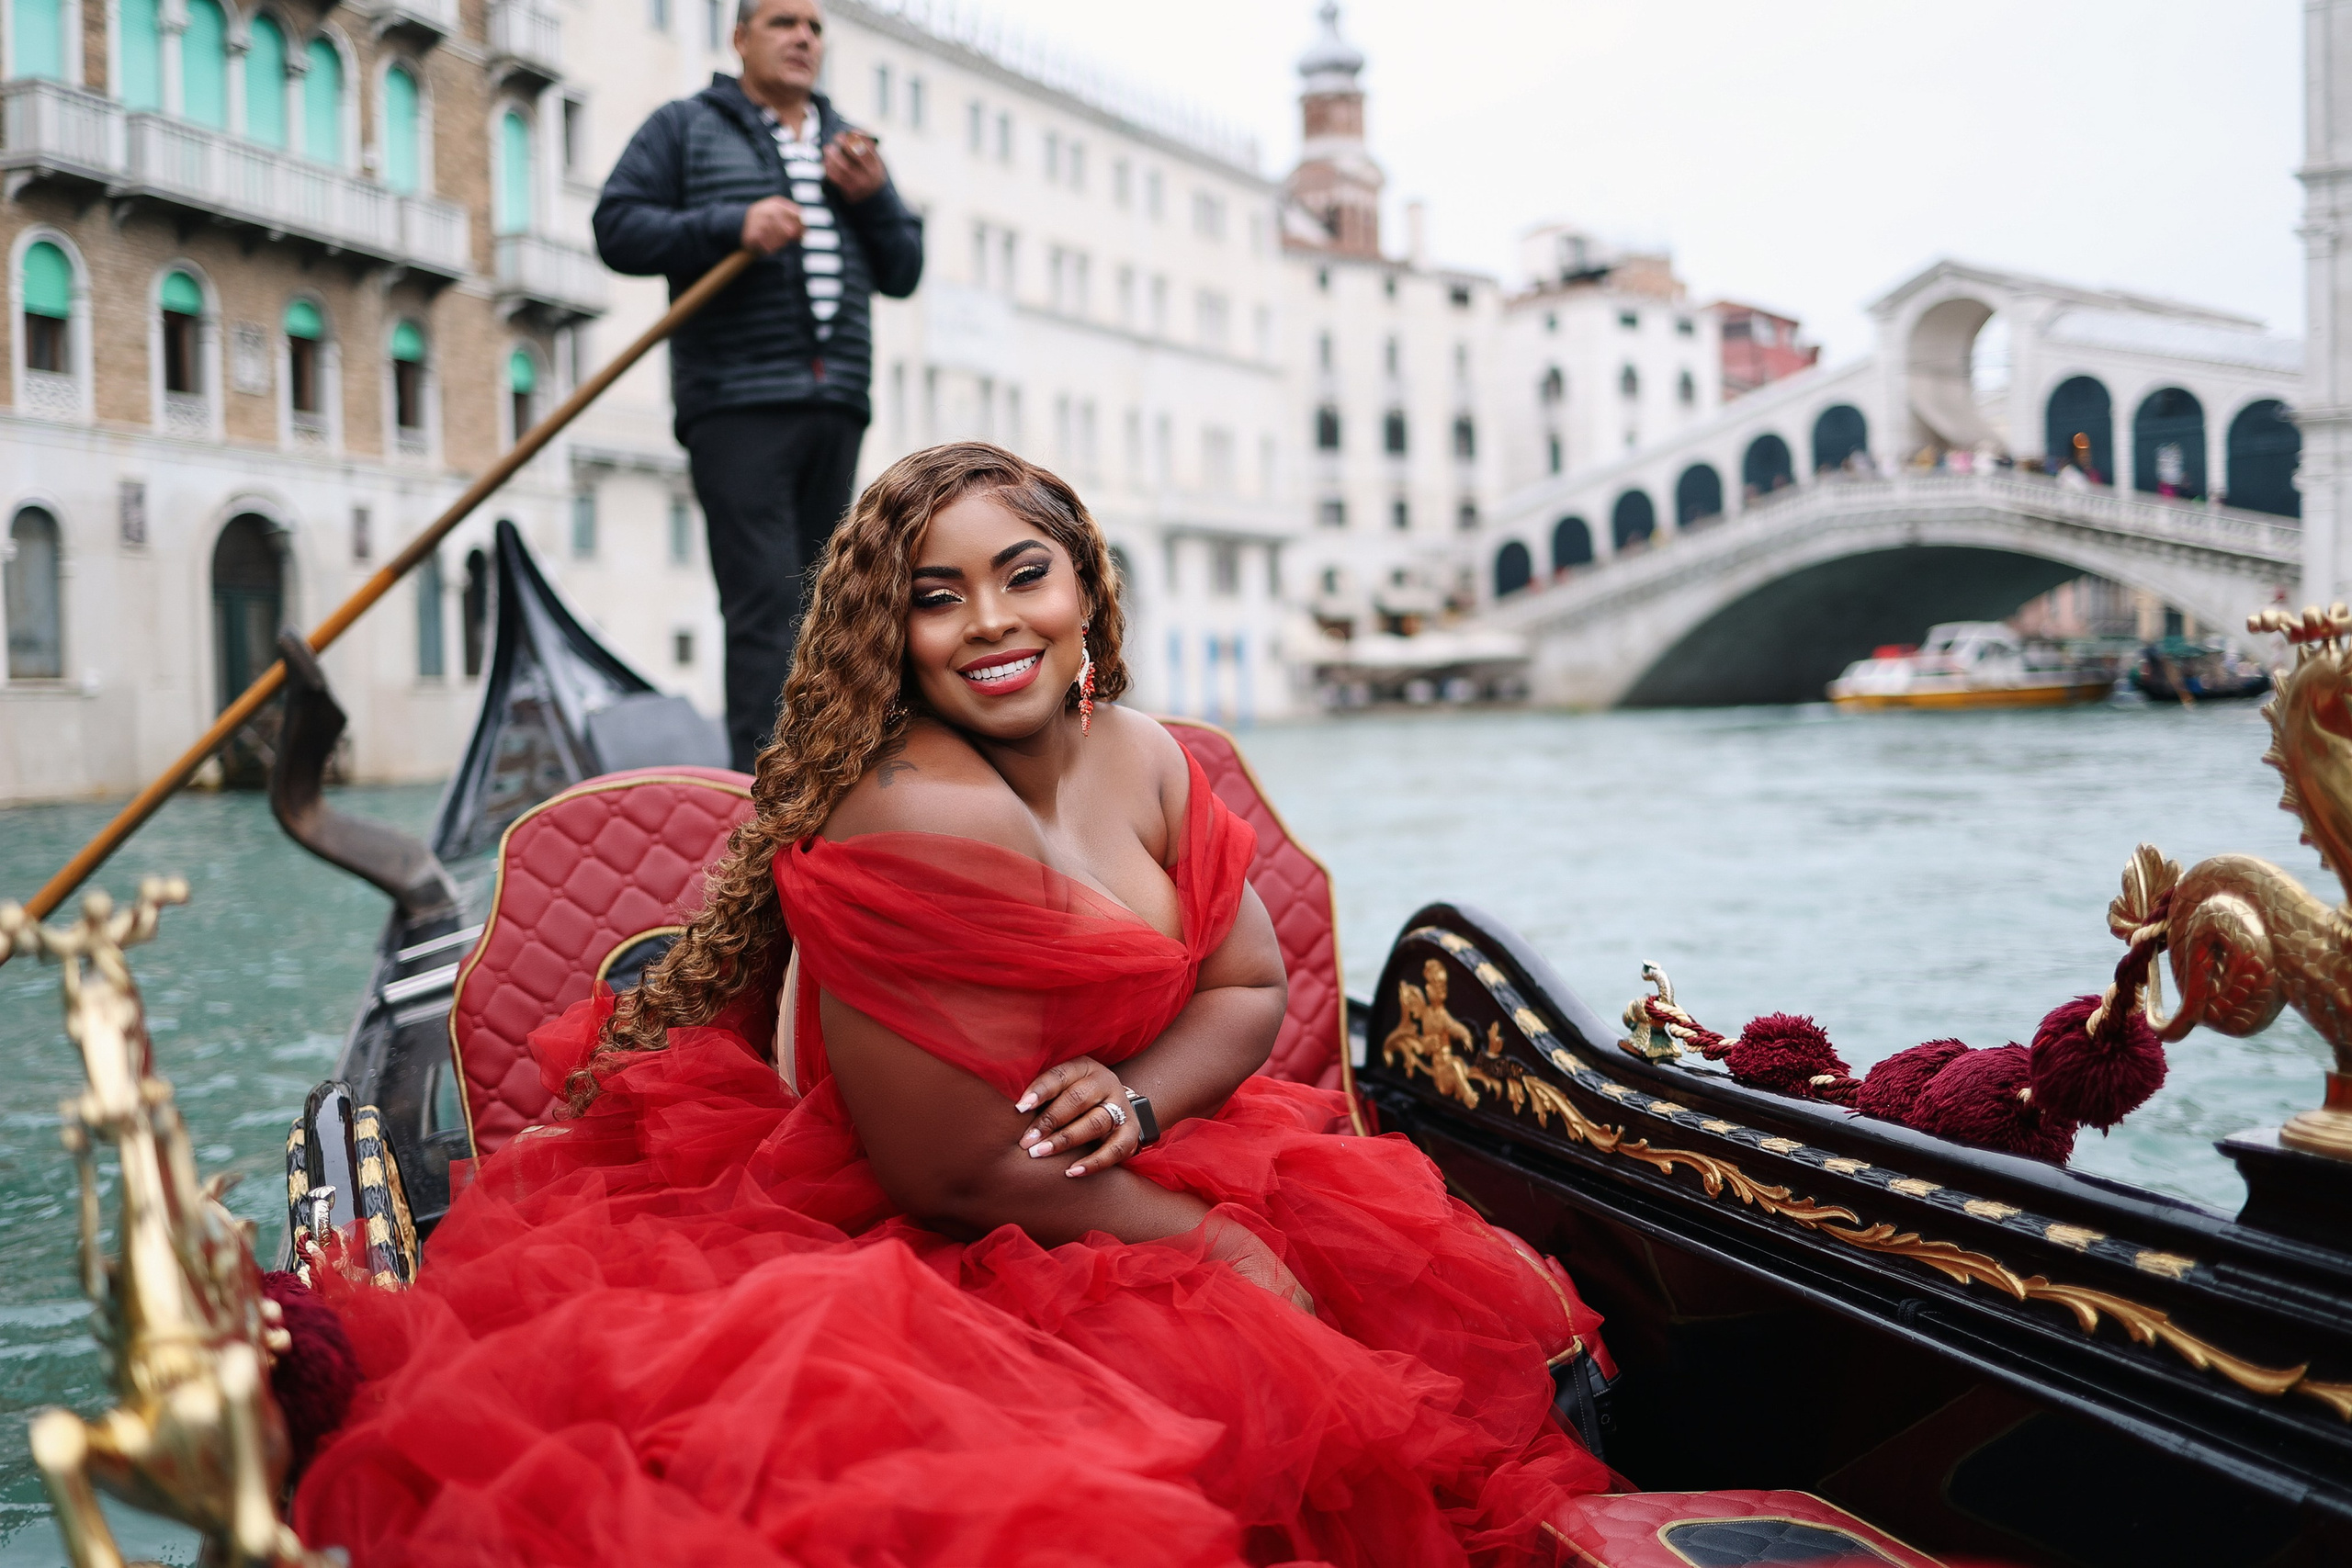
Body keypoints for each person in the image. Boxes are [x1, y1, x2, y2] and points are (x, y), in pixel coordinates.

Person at [293, 445, 1615, 1567]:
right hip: (929, 1226)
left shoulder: (1145, 758)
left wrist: (1149, 1093)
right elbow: (954, 1167)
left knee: (1485, 1326)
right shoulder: (908, 809)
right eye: (939, 598)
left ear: (1084, 584)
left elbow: (1247, 982)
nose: (990, 620)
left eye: (1022, 575)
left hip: (1129, 1147)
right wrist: (1217, 1247)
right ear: (893, 636)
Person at [595, 0, 925, 772]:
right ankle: (762, 793)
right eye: (783, 23)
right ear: (741, 37)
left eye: (813, 27)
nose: (803, 38)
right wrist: (730, 224)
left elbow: (903, 268)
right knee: (763, 607)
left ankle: (830, 774)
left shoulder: (852, 147)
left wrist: (873, 196)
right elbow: (617, 227)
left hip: (835, 400)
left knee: (829, 603)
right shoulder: (684, 126)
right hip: (735, 400)